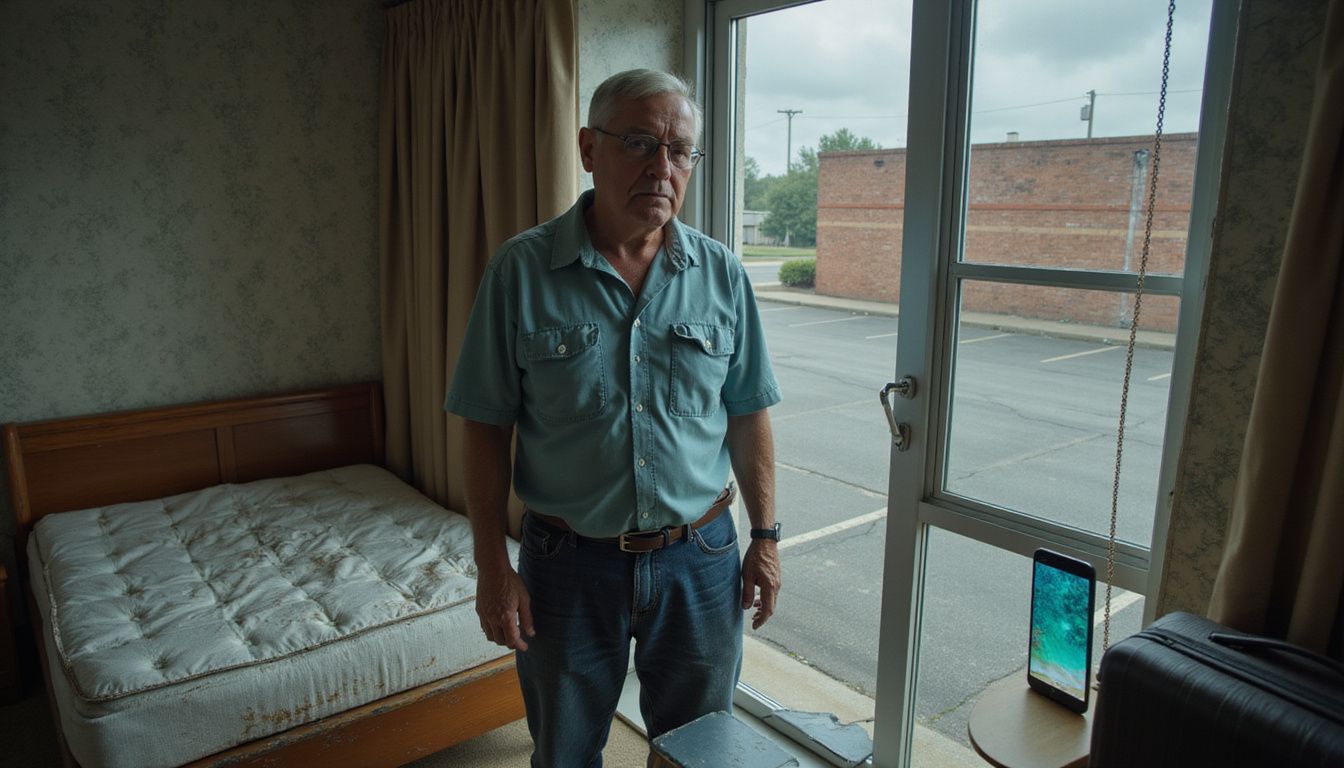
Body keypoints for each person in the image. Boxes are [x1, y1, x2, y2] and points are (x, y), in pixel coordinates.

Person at [445, 68, 782, 767]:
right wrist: (489, 565)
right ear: (588, 148)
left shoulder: (722, 275)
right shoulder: (521, 270)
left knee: (698, 752)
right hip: (566, 565)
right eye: (639, 142)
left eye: (680, 149)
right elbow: (484, 426)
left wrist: (768, 536)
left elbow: (748, 414)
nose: (663, 167)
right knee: (564, 751)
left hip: (702, 557)